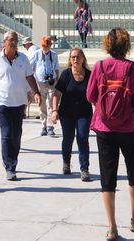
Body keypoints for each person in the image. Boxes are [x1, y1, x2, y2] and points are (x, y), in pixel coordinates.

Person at [86, 27, 134, 241]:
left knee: (107, 177)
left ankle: (111, 227)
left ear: (107, 45)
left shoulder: (99, 67)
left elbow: (90, 95)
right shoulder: (133, 68)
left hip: (104, 128)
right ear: (127, 46)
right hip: (130, 128)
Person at [0, 30, 41, 180]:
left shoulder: (24, 59)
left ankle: (13, 162)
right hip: (3, 102)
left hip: (19, 103)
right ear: (4, 42)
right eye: (11, 40)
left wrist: (36, 92)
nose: (13, 42)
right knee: (6, 135)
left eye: (15, 40)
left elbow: (29, 76)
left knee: (16, 135)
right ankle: (9, 167)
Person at [52, 47, 93, 181]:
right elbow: (57, 94)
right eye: (73, 57)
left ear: (83, 58)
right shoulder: (66, 74)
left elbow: (96, 94)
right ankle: (66, 163)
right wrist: (54, 111)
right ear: (70, 60)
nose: (75, 59)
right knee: (68, 139)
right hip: (67, 113)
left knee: (82, 139)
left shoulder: (89, 75)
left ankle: (84, 169)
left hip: (84, 114)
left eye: (78, 57)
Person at [31, 35, 60, 136]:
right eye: (44, 45)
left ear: (50, 45)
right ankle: (43, 126)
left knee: (50, 104)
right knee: (42, 104)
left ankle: (50, 126)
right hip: (40, 82)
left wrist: (56, 79)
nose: (45, 47)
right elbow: (31, 67)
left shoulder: (54, 55)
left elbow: (56, 68)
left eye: (47, 45)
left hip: (51, 83)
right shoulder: (37, 54)